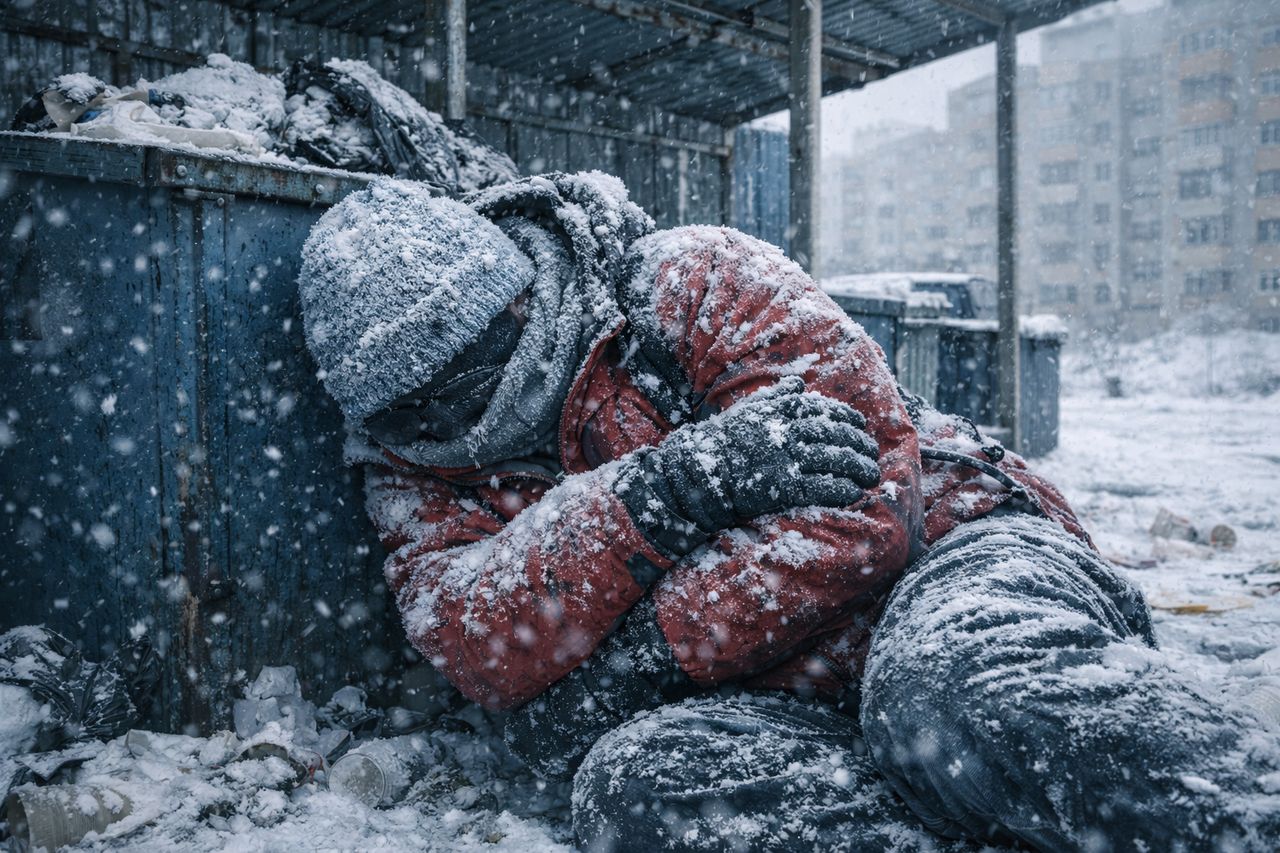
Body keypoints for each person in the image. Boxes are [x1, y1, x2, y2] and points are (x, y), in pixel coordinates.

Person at [299, 173, 1280, 851]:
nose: (447, 424)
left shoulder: (684, 281)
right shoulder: (406, 466)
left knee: (947, 686)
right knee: (632, 790)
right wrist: (665, 489)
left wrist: (640, 653)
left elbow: (865, 511)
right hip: (768, 692)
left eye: (455, 377)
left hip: (957, 552)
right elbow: (474, 634)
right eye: (408, 404)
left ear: (511, 303)